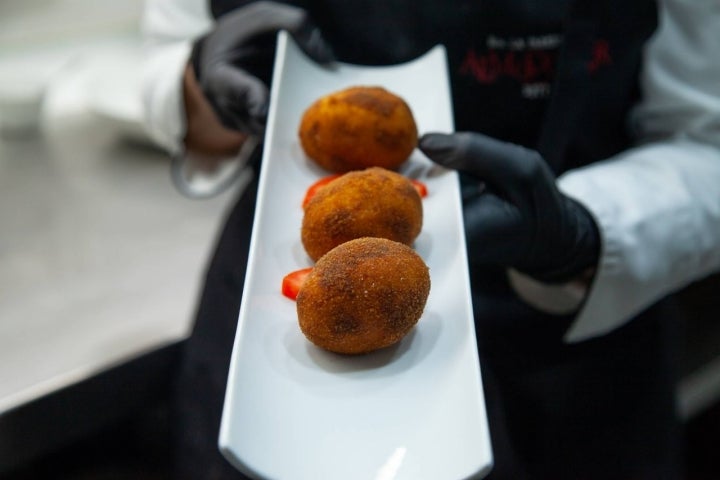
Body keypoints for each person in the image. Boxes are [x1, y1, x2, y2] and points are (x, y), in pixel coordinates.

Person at [140, 0, 720, 478]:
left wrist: (587, 227)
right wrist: (198, 84)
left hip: (579, 327)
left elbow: (707, 140)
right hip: (276, 326)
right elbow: (164, 65)